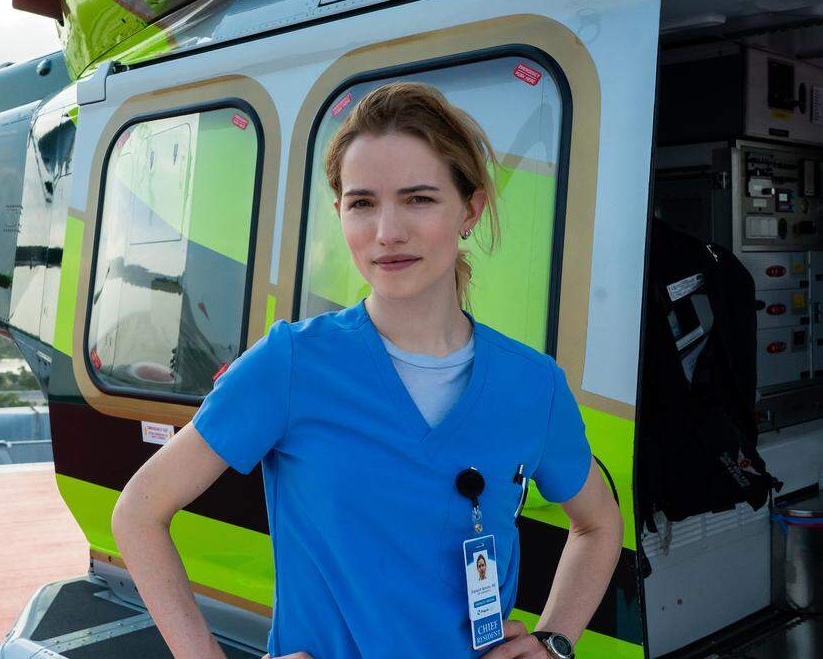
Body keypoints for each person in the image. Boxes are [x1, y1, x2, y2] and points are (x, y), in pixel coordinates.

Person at [111, 82, 624, 658]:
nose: (387, 233)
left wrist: (555, 642)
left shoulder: (533, 385)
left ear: (470, 209)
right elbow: (138, 512)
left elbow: (598, 526)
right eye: (362, 203)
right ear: (340, 213)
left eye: (419, 199)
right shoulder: (291, 364)